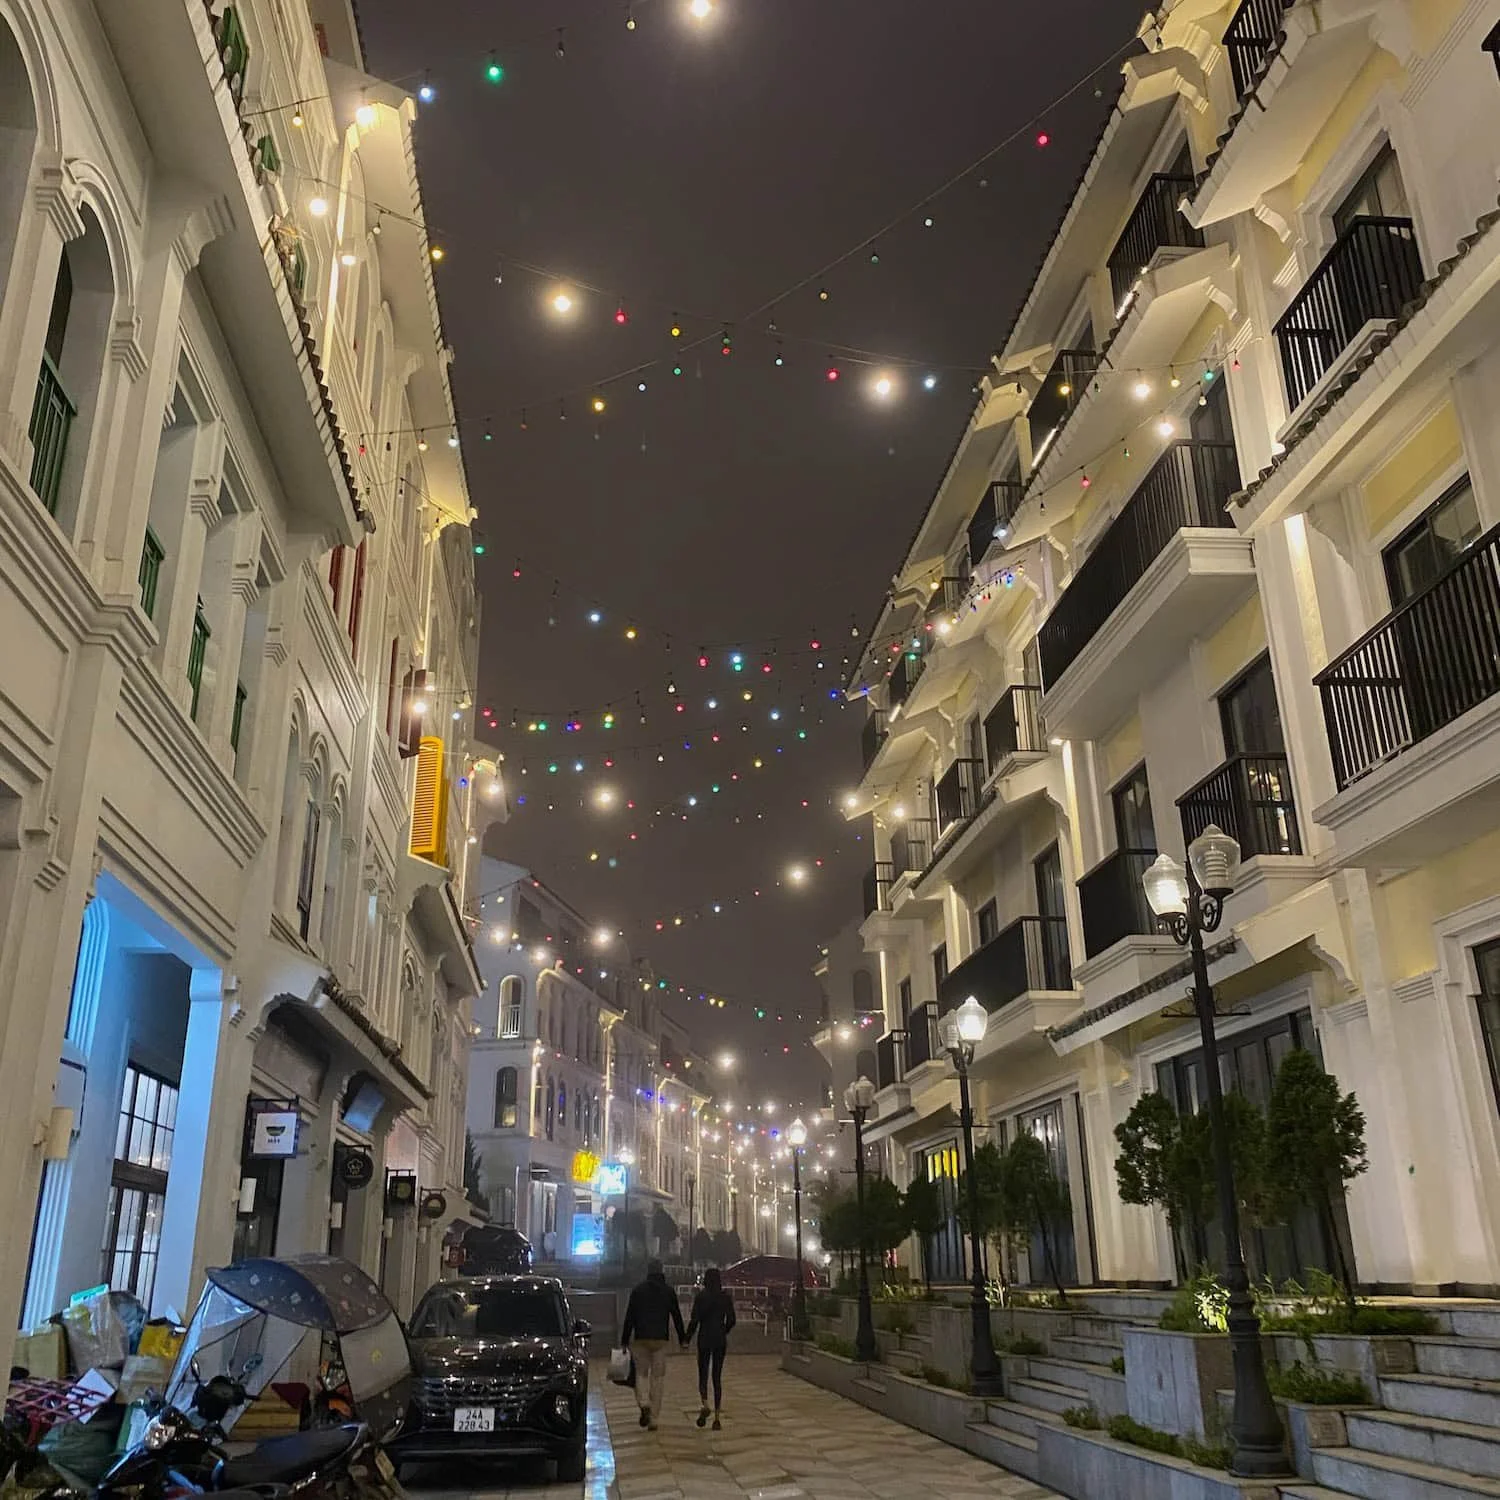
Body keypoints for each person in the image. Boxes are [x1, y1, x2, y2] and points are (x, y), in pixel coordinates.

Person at [620, 1258, 686, 1430]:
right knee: (658, 1378)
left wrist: (624, 1340)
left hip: (641, 1338)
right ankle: (654, 1418)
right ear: (662, 1271)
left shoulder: (638, 1291)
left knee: (640, 1375)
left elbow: (630, 1317)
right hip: (660, 1340)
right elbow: (677, 1316)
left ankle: (644, 1404)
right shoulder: (668, 1291)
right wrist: (683, 1338)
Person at [682, 1266, 736, 1429]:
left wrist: (686, 1338)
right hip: (719, 1338)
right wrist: (724, 1330)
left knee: (703, 1373)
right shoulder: (725, 1297)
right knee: (717, 1377)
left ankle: (705, 1404)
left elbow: (694, 1320)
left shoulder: (701, 1297)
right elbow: (732, 1320)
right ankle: (717, 1418)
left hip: (704, 1337)